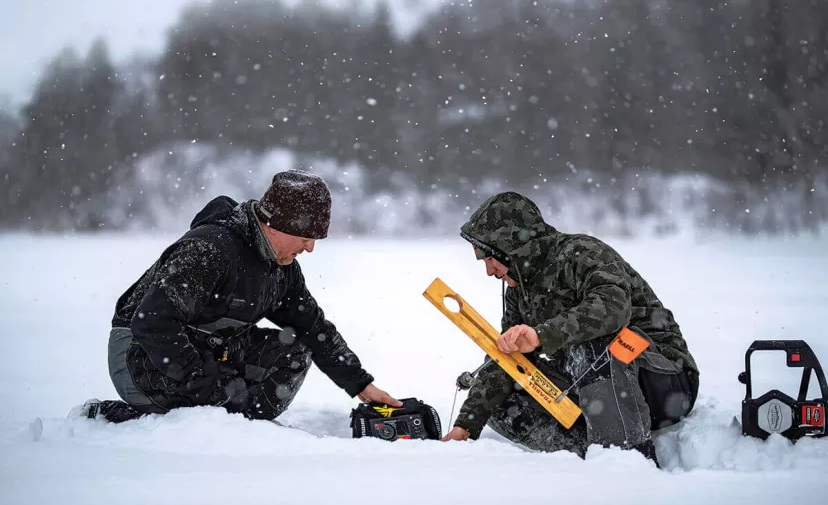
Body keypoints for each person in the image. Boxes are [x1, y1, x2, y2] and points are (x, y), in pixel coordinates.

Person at [84, 170, 400, 423]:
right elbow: (152, 322)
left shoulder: (282, 269)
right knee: (218, 393)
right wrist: (205, 381)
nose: (310, 248)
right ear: (277, 226)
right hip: (141, 354)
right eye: (306, 237)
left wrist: (360, 384)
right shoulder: (211, 249)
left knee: (293, 352)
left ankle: (244, 428)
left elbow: (313, 328)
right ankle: (137, 419)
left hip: (212, 348)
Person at [441, 192, 699, 462]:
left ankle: (626, 462)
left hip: (665, 383)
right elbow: (508, 359)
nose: (489, 271)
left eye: (489, 259)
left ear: (512, 247)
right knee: (502, 398)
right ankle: (589, 453)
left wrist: (540, 336)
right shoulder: (519, 290)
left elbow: (613, 308)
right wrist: (466, 426)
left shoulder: (581, 253)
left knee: (595, 346)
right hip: (594, 385)